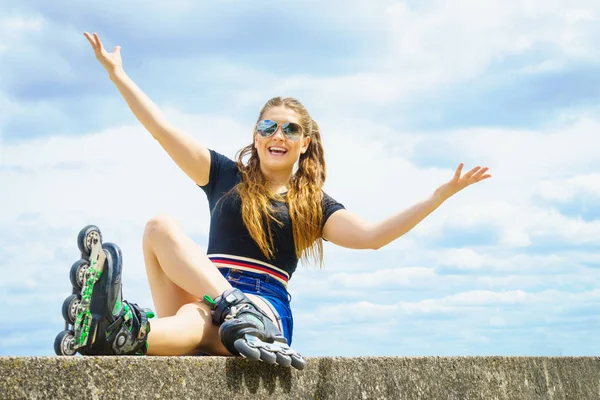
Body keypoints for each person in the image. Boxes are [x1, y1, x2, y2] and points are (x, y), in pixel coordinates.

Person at [60, 32, 491, 369]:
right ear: (255, 136)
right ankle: (115, 328)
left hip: (264, 307)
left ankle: (129, 326)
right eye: (267, 127)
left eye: (287, 129)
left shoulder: (314, 204)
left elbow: (373, 236)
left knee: (197, 322)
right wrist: (117, 74)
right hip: (207, 291)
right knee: (158, 227)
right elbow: (161, 130)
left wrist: (439, 195)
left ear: (305, 143)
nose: (276, 136)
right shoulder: (224, 176)